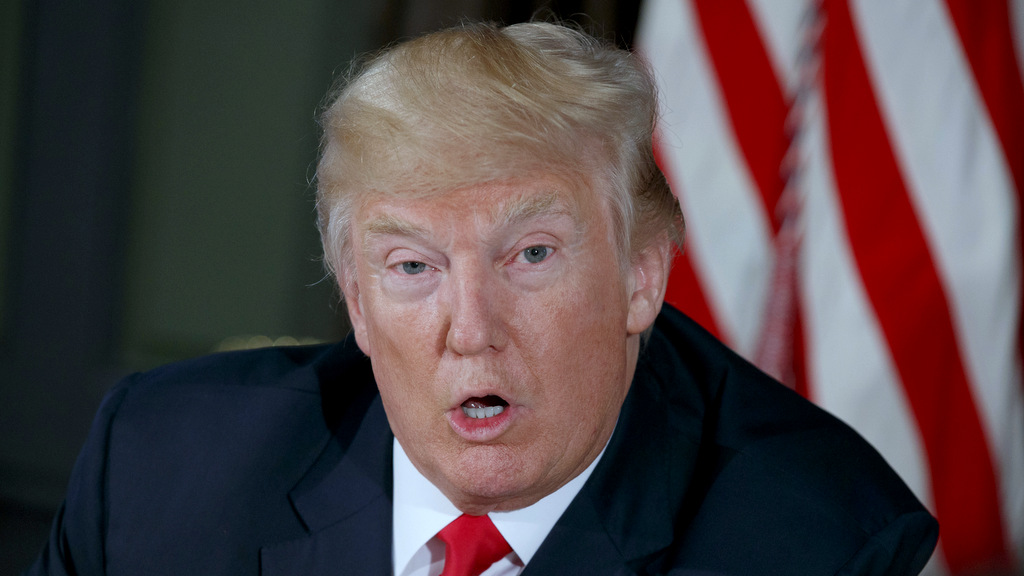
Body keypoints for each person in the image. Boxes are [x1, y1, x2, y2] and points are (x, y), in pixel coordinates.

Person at [25, 21, 937, 576]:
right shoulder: (160, 473)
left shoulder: (823, 546)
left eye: (531, 254)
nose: (472, 330)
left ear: (641, 276)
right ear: (355, 300)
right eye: (412, 267)